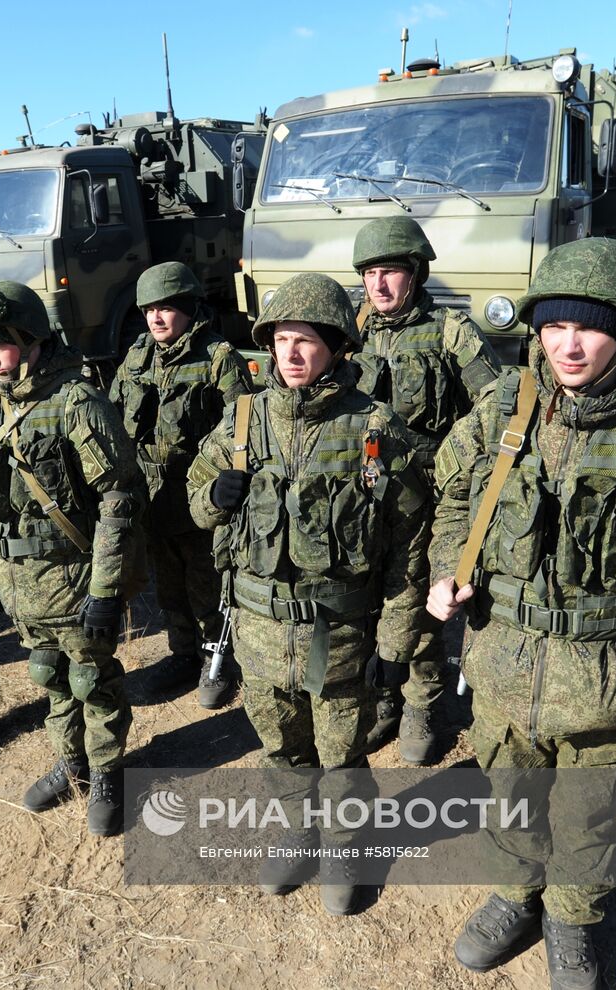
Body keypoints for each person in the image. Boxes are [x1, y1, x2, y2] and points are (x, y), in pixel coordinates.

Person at [426, 238, 616, 990]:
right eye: (554, 326)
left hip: (607, 677)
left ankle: (571, 921)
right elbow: (455, 500)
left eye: (591, 328)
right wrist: (448, 570)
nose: (569, 345)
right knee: (509, 795)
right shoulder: (504, 408)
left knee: (586, 816)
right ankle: (515, 896)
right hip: (503, 666)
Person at [186, 273, 432, 915]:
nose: (291, 354)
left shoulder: (375, 429)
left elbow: (410, 545)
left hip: (338, 635)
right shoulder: (243, 420)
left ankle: (347, 846)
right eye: (281, 340)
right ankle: (298, 831)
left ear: (336, 345)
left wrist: (396, 642)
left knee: (342, 754)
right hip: (260, 632)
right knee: (281, 749)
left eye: (306, 341)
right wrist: (214, 496)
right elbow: (196, 503)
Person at [0, 280, 145, 836]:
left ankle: (106, 772)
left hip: (74, 578)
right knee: (49, 675)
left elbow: (118, 498)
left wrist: (106, 590)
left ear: (32, 341)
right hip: (20, 579)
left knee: (91, 680)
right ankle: (71, 760)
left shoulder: (76, 402)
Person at [350, 216, 502, 764]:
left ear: (415, 273)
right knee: (369, 597)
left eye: (390, 272)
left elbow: (496, 407)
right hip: (365, 496)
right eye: (369, 273)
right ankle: (382, 693)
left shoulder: (450, 332)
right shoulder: (352, 330)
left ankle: (423, 702)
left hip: (430, 497)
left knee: (418, 599)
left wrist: (459, 468)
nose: (378, 284)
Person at [108, 262, 255, 708]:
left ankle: (217, 658)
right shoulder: (137, 357)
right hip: (153, 496)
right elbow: (114, 414)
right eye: (149, 309)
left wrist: (226, 490)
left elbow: (242, 429)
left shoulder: (218, 358)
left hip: (198, 493)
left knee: (206, 581)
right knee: (168, 584)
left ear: (189, 308)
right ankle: (182, 654)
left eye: (166, 308)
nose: (156, 318)